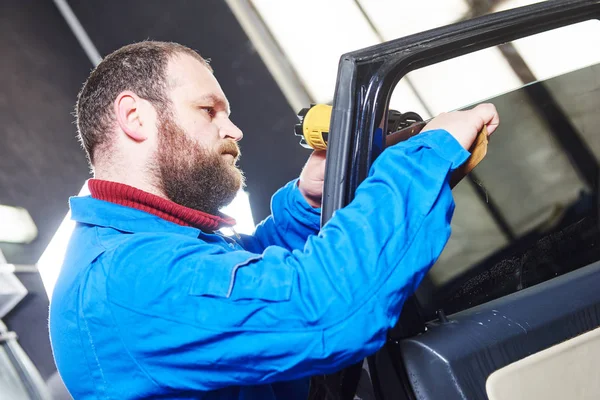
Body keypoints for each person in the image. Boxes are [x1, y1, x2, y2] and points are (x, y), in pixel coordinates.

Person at [49, 41, 500, 400]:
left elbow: (254, 274)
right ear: (135, 118)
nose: (234, 130)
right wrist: (426, 155)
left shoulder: (148, 242)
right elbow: (322, 307)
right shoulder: (125, 281)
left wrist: (310, 201)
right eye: (209, 110)